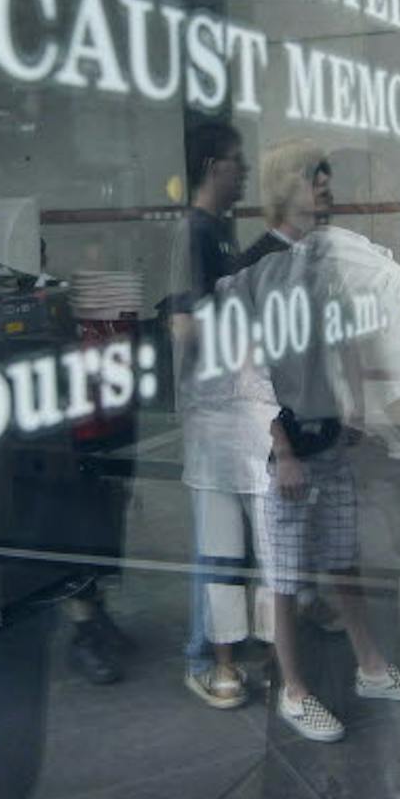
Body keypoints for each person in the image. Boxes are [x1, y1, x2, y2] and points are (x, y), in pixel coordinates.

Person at [234, 141, 400, 741]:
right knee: (286, 579)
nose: (325, 186)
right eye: (313, 177)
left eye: (326, 176)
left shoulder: (319, 259)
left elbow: (337, 344)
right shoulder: (257, 266)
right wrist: (284, 450)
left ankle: (371, 666)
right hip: (284, 452)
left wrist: (349, 414)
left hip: (326, 439)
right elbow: (247, 368)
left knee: (343, 561)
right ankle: (293, 690)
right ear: (285, 187)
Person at [171, 119, 270, 707]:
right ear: (214, 168)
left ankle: (224, 643)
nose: (246, 173)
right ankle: (202, 655)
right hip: (211, 406)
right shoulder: (194, 233)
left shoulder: (221, 232)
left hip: (230, 405)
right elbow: (184, 324)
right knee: (216, 539)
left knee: (231, 538)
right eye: (238, 162)